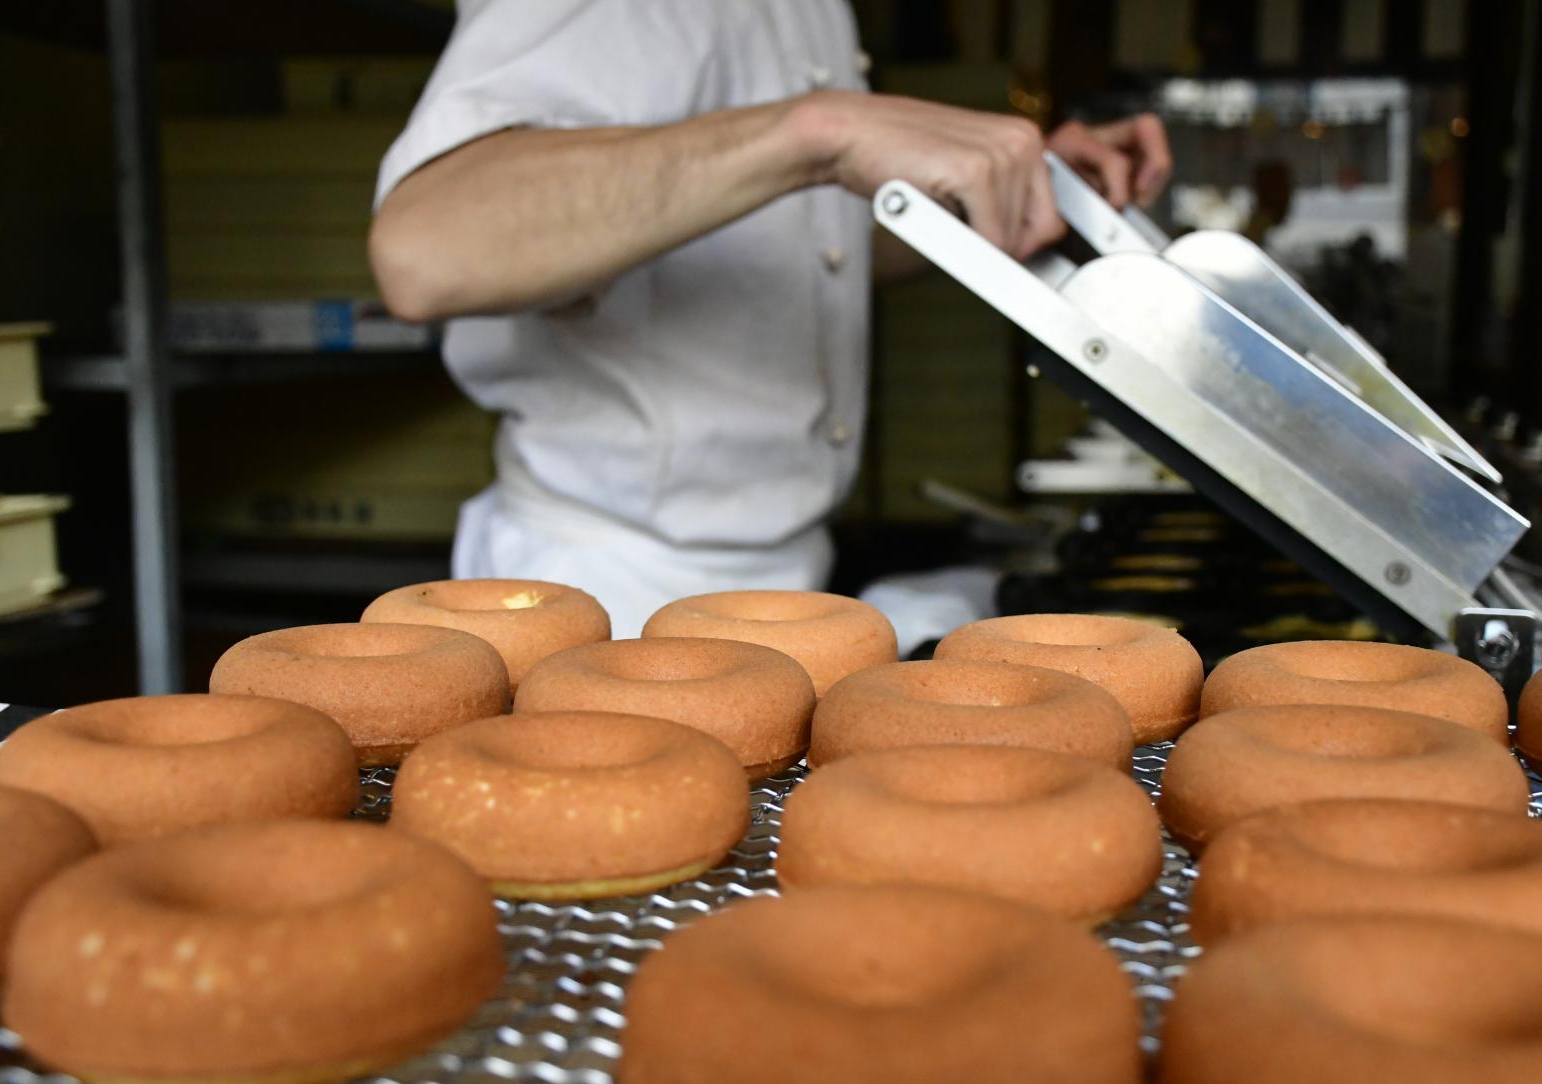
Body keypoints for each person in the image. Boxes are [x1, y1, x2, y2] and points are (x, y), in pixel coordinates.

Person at [370, 1, 1171, 637]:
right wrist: (820, 131)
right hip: (607, 602)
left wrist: (1015, 189)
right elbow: (426, 247)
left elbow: (800, 249)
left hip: (784, 590)